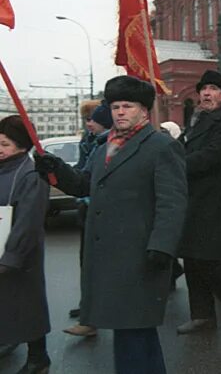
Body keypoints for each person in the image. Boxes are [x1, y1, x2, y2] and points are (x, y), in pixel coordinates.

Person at [34, 76, 188, 374]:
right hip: (107, 253)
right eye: (115, 106)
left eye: (127, 106)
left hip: (139, 253)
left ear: (144, 111)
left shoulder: (159, 147)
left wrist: (161, 246)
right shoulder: (105, 146)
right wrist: (56, 169)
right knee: (130, 331)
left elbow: (173, 202)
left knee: (134, 331)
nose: (119, 112)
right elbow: (83, 184)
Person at [176, 69, 221, 334]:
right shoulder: (197, 120)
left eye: (213, 89)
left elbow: (210, 157)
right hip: (191, 196)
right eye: (203, 89)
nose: (206, 93)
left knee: (205, 256)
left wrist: (176, 164)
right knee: (190, 258)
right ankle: (201, 315)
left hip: (212, 198)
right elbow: (182, 148)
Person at [0, 116, 51, 374]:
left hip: (22, 253)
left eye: (5, 144)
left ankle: (38, 357)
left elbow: (29, 221)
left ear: (21, 146)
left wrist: (11, 256)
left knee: (26, 306)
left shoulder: (30, 173)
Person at [65, 101, 112, 337]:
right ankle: (89, 311)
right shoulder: (90, 141)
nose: (88, 124)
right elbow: (83, 175)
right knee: (87, 263)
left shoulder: (108, 145)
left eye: (91, 120)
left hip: (101, 212)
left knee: (97, 265)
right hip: (88, 207)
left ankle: (93, 314)